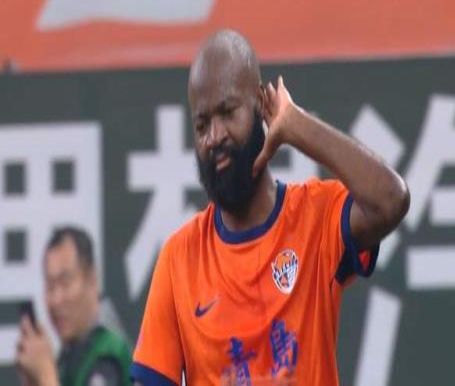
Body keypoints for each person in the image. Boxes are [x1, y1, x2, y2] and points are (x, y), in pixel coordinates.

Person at [131, 29, 410, 385]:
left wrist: (297, 125)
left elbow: (391, 200)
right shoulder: (178, 258)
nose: (215, 136)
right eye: (202, 125)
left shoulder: (315, 216)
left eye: (228, 112)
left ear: (260, 104)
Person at [16, 227, 132, 386]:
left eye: (65, 283)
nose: (56, 300)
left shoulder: (109, 353)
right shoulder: (66, 359)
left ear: (92, 279)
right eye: (50, 287)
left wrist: (45, 375)